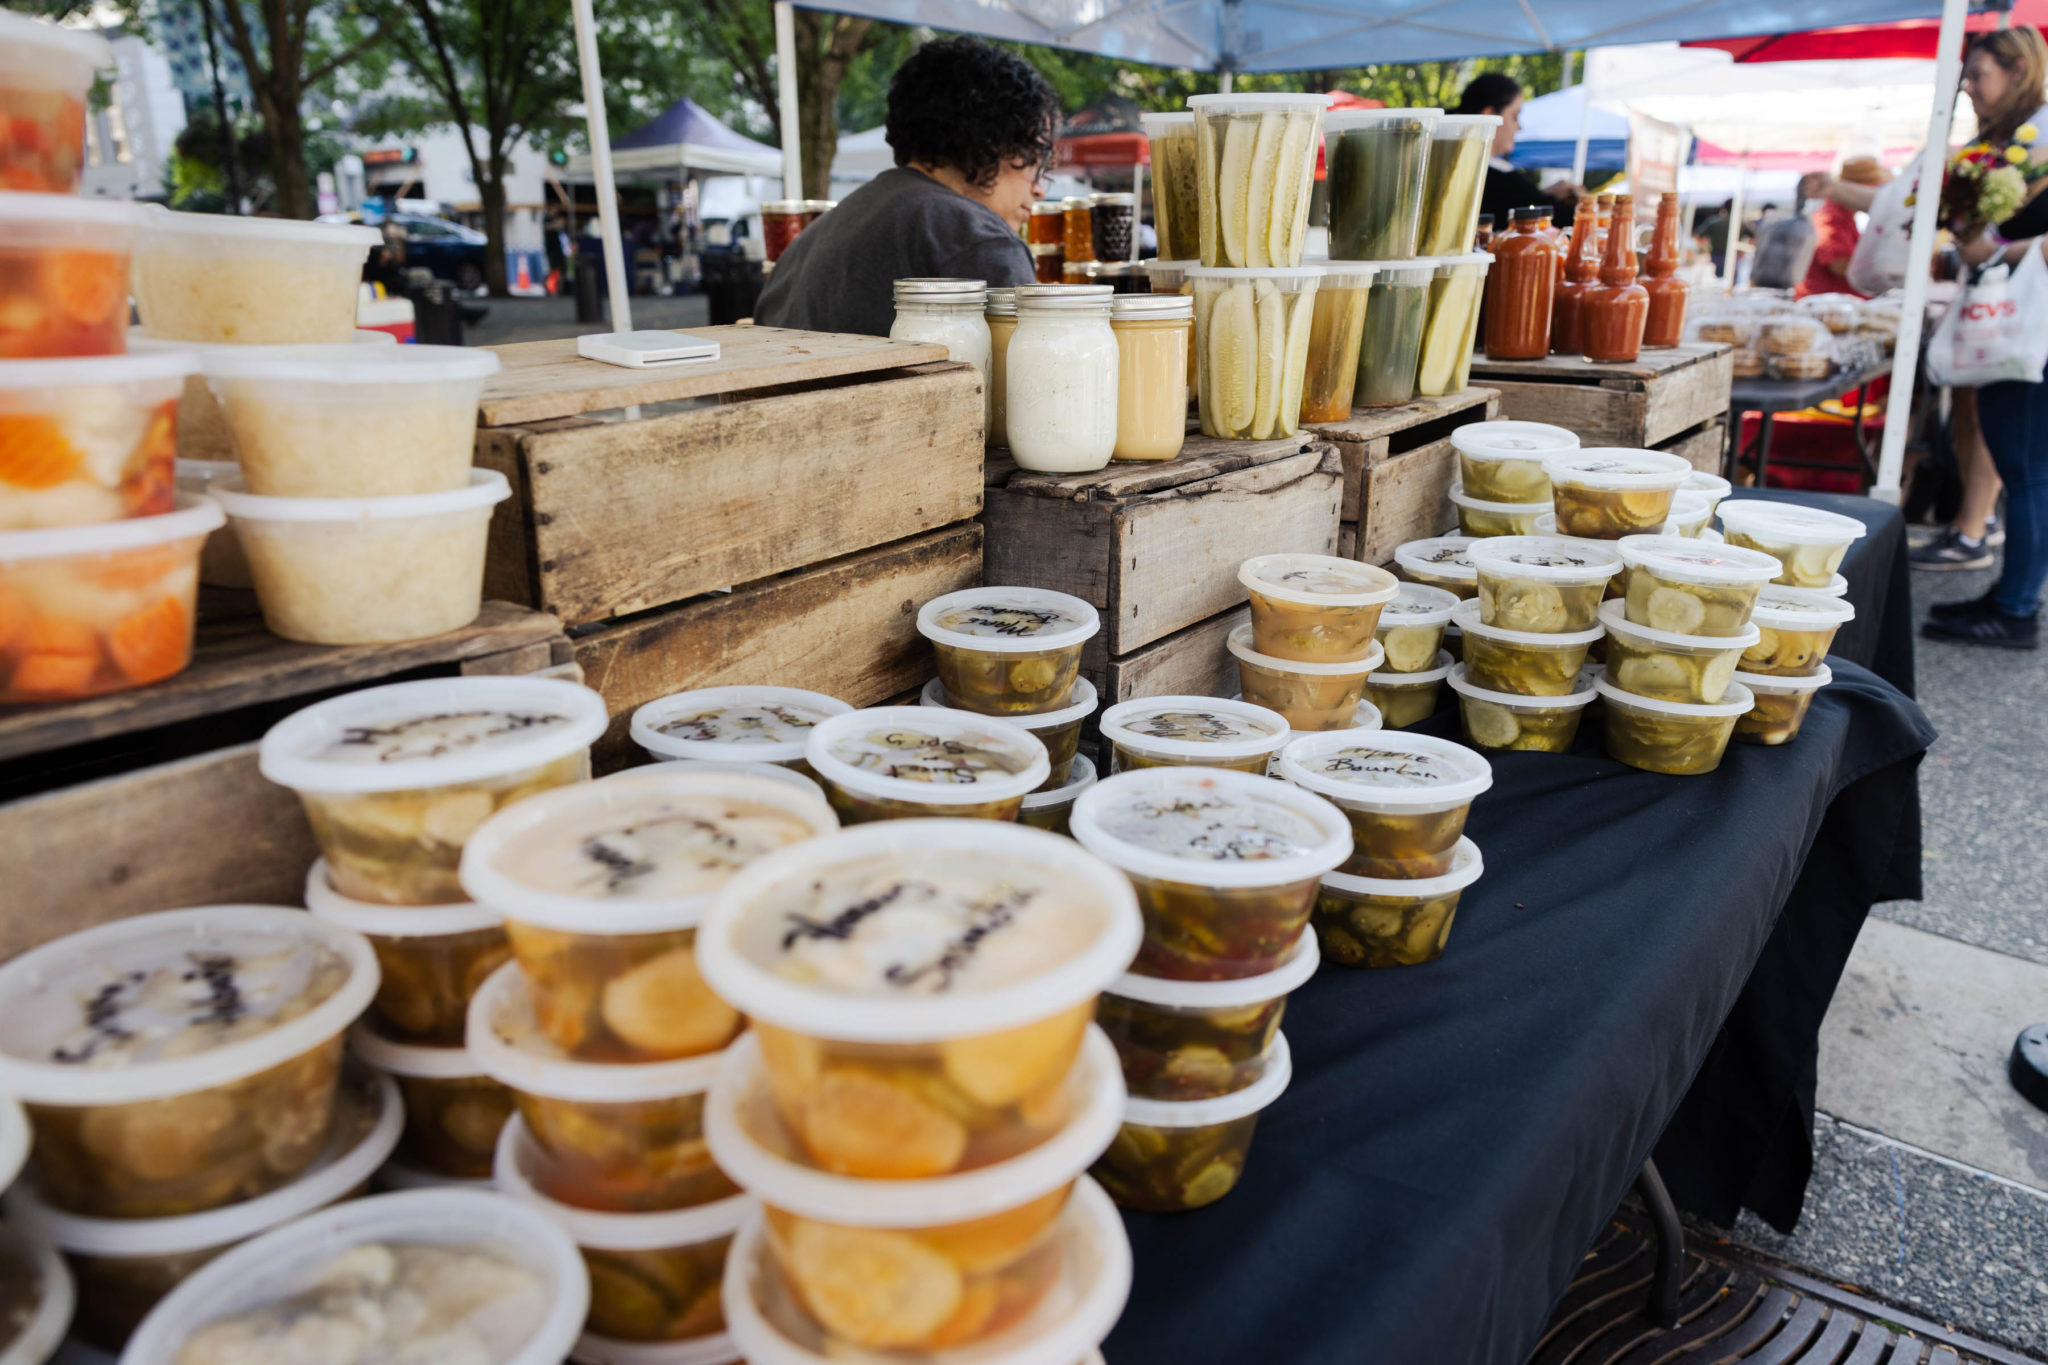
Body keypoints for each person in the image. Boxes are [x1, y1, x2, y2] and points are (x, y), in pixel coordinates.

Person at [754, 36, 1053, 337]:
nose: (1040, 188)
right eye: (1035, 158)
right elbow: (1041, 378)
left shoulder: (810, 241)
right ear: (987, 140)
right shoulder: (978, 239)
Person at [1916, 26, 2048, 645]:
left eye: (1979, 75)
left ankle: (2017, 609)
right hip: (2017, 326)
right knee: (2019, 458)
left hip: (2033, 329)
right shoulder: (2007, 144)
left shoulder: (2038, 138)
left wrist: (1992, 243)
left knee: (2026, 468)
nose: (1969, 87)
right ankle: (2010, 593)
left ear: (2018, 70)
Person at [1455, 72, 1578, 230]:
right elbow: (1562, 217)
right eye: (1515, 116)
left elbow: (1522, 200)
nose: (1519, 127)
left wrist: (1547, 194)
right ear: (1490, 116)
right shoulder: (1494, 177)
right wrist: (1584, 202)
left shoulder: (1457, 166)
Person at [1796, 157, 1887, 300]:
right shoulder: (1830, 216)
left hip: (1840, 305)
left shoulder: (1844, 216)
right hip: (1826, 307)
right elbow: (1838, 265)